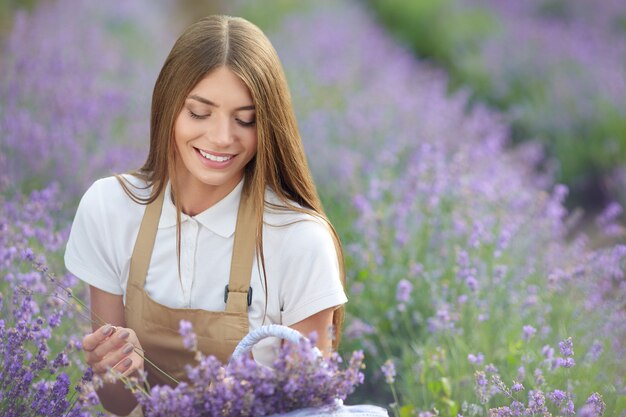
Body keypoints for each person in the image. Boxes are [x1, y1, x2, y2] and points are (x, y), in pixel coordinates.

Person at [64, 14, 347, 416]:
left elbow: (312, 409)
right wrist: (114, 369)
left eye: (245, 119)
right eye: (199, 113)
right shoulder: (110, 209)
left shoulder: (299, 238)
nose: (221, 137)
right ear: (168, 107)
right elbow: (119, 405)